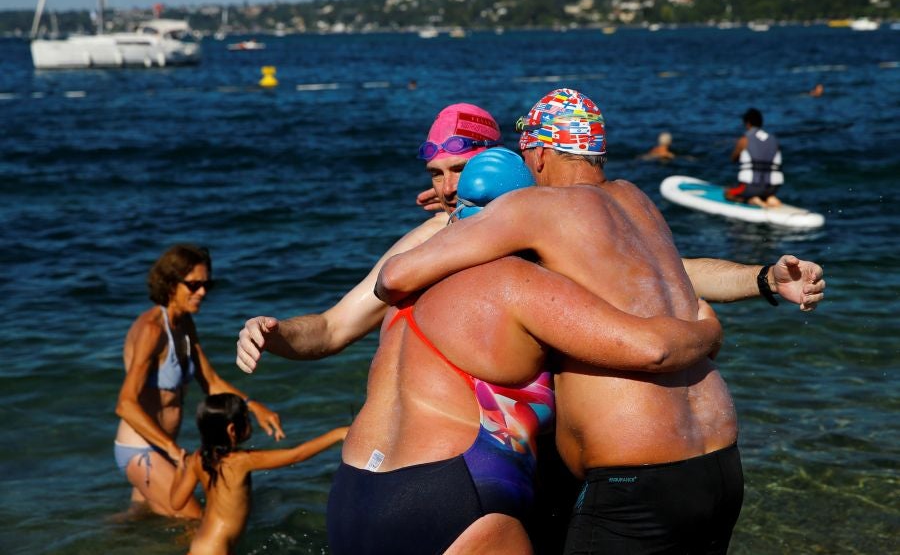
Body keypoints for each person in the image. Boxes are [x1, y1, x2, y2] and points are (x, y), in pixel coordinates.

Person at [373, 88, 780, 554]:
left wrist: (463, 220)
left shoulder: (537, 208)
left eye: (525, 156)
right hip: (720, 467)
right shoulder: (635, 201)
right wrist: (724, 315)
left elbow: (394, 277)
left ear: (541, 154)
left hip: (638, 478)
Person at [326, 148, 724, 554]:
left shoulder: (407, 291)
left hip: (354, 492)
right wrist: (706, 329)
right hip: (454, 494)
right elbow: (652, 349)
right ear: (521, 209)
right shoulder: (516, 284)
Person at [235, 102, 824, 377]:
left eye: (459, 172)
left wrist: (760, 280)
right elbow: (336, 327)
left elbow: (669, 272)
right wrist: (276, 332)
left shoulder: (537, 225)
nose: (446, 188)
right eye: (436, 176)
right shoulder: (422, 244)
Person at [114, 244, 285, 518]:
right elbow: (125, 405)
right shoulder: (151, 329)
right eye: (193, 285)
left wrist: (254, 406)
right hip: (142, 449)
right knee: (199, 525)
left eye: (207, 284)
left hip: (162, 447)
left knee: (138, 523)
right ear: (170, 284)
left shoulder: (183, 325)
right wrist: (171, 449)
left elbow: (211, 382)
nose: (202, 292)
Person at [171, 393, 348, 555]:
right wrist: (337, 434)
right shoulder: (240, 461)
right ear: (232, 430)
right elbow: (296, 454)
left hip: (202, 545)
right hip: (217, 549)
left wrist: (180, 471)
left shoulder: (198, 458)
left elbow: (176, 503)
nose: (250, 423)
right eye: (247, 419)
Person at [724, 107, 783, 207]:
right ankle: (768, 197)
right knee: (764, 186)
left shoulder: (744, 139)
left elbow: (733, 159)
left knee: (728, 193)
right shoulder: (774, 140)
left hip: (751, 186)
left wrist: (738, 146)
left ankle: (751, 199)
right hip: (773, 187)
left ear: (747, 123)